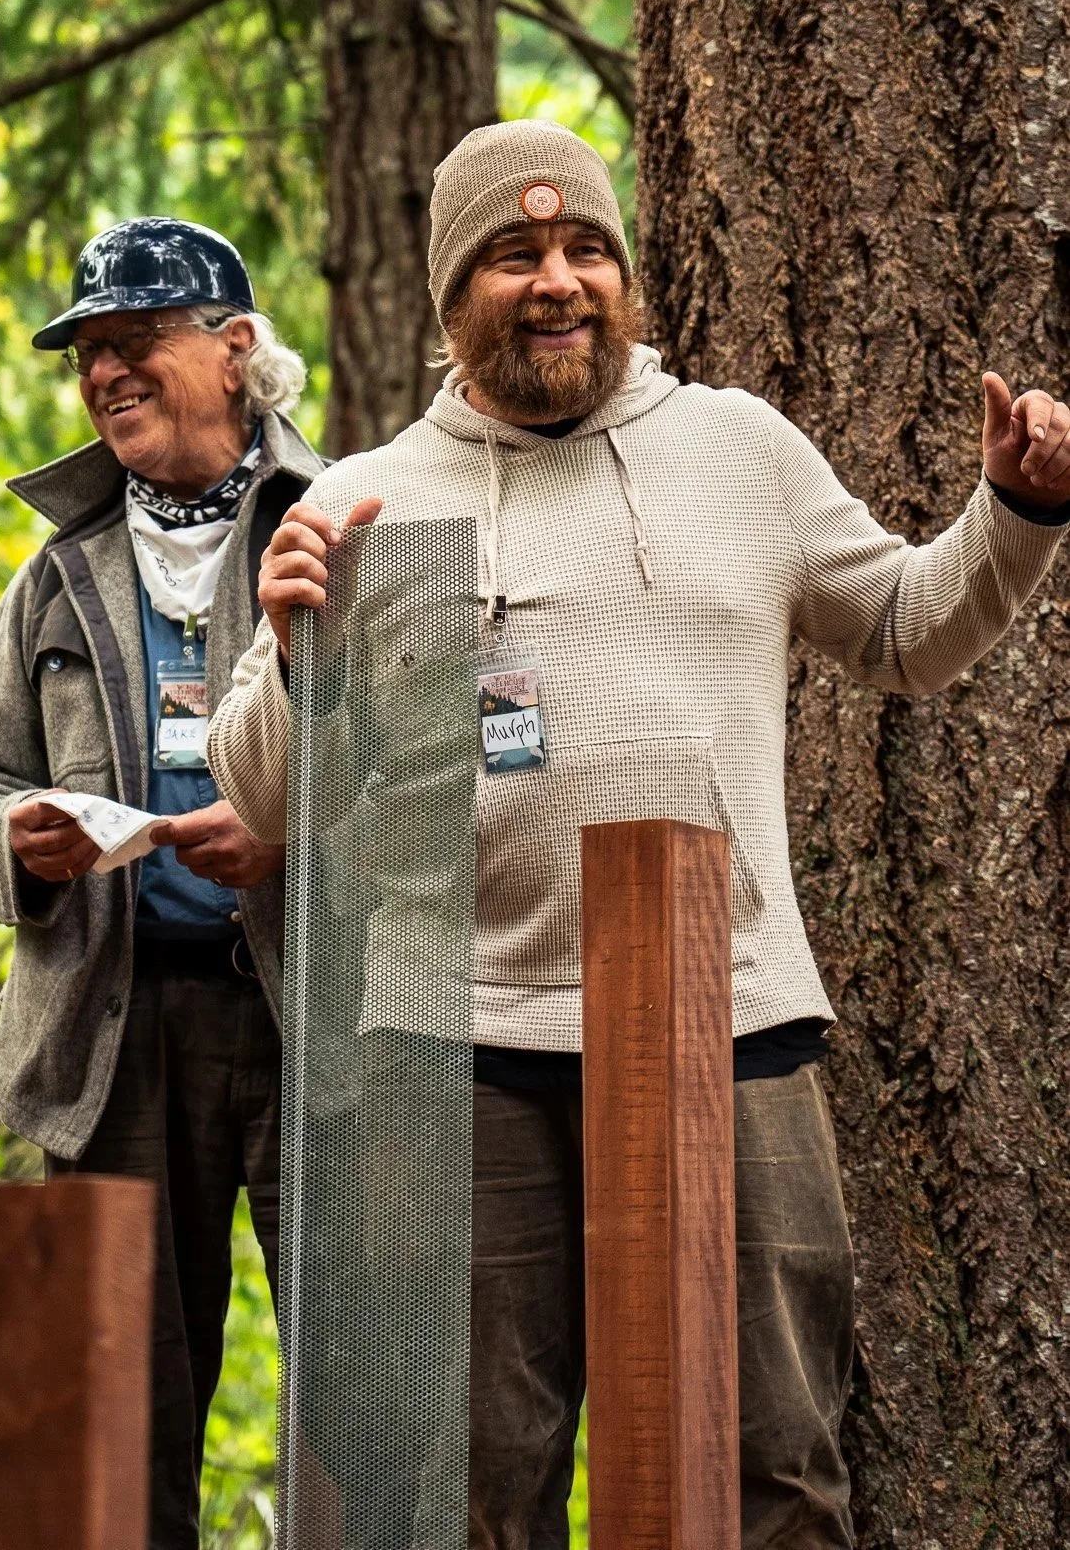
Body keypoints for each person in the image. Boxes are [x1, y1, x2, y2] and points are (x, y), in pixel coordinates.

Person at [208, 118, 1070, 1549]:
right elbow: (261, 798)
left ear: (623, 275)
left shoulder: (738, 449)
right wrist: (299, 647)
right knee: (471, 1488)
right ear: (451, 296)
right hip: (459, 1046)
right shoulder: (359, 497)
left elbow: (905, 631)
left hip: (728, 1021)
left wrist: (1021, 509)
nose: (558, 281)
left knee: (769, 1464)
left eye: (584, 249)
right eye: (513, 254)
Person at [0, 216, 321, 1550]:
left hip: (318, 1025)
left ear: (235, 348)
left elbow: (440, 776)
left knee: (365, 1400)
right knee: (111, 1417)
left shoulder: (340, 523)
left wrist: (286, 834)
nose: (105, 373)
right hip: (113, 1034)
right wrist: (20, 841)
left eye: (136, 340)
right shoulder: (57, 574)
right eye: (88, 354)